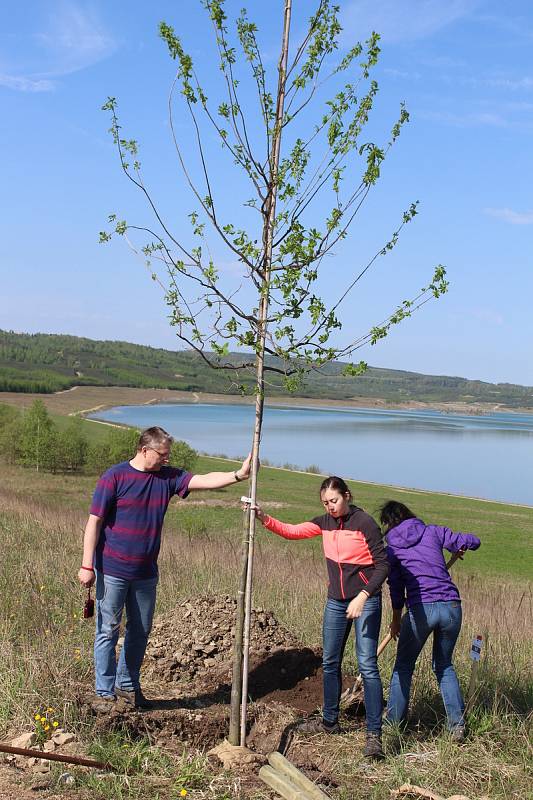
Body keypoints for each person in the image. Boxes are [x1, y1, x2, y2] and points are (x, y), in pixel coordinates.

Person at [78, 426, 251, 710]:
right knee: (108, 629)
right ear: (145, 450)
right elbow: (94, 523)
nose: (166, 460)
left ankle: (127, 686)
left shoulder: (167, 479)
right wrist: (87, 565)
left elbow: (203, 480)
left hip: (145, 573)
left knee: (140, 629)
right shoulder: (114, 477)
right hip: (112, 569)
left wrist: (237, 475)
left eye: (168, 455)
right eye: (163, 455)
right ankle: (104, 690)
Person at [253, 476, 389, 759]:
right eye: (325, 503)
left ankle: (374, 735)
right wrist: (263, 517)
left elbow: (383, 565)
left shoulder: (364, 523)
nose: (330, 507)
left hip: (366, 601)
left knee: (366, 664)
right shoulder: (324, 523)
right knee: (330, 661)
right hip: (336, 603)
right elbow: (291, 531)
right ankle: (329, 722)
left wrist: (363, 595)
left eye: (334, 501)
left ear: (347, 496)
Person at [380, 500, 481, 740]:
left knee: (403, 666)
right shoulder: (433, 531)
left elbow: (396, 588)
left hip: (420, 610)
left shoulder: (392, 549)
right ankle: (457, 726)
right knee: (444, 666)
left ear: (387, 524)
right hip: (451, 607)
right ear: (409, 514)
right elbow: (472, 540)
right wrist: (463, 545)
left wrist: (395, 619)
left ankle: (394, 723)